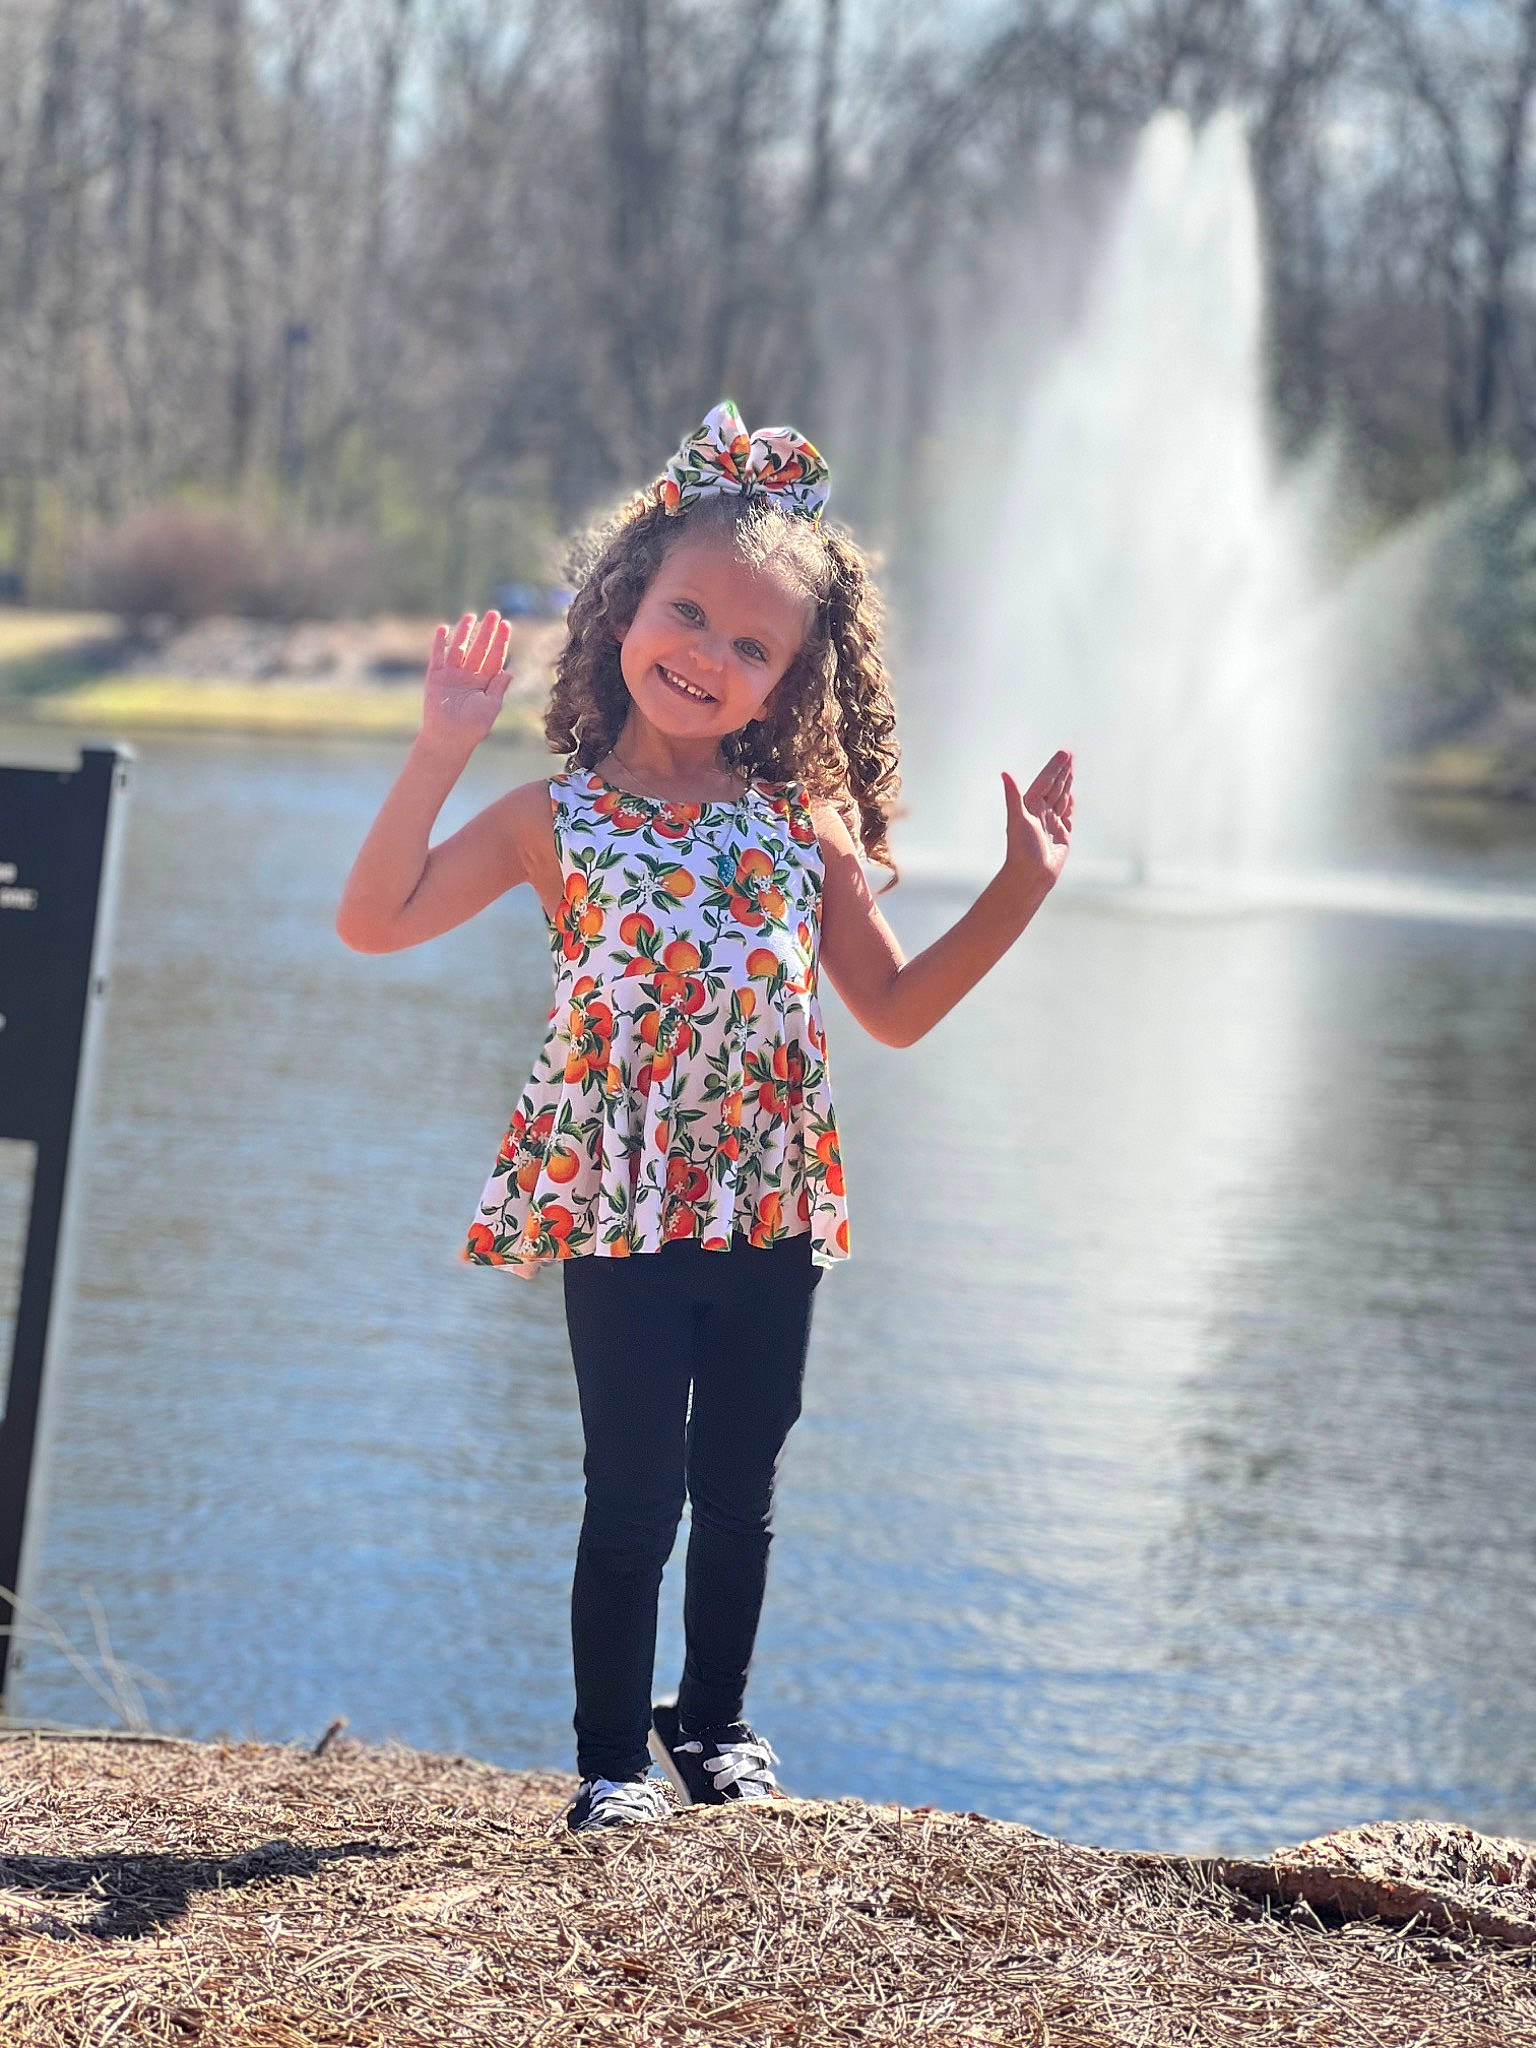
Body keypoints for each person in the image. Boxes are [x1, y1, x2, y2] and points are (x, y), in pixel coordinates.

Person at [336, 401, 1074, 1833]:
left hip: (773, 1200)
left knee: (741, 1485)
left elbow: (898, 1009)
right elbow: (372, 922)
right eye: (687, 615)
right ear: (624, 605)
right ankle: (611, 1760)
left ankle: (715, 1727)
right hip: (618, 1202)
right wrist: (439, 746)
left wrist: (1019, 889)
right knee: (635, 1495)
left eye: (754, 647)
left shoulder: (808, 818)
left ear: (791, 679)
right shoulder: (556, 818)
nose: (709, 657)